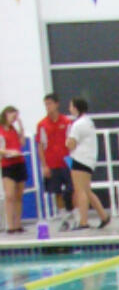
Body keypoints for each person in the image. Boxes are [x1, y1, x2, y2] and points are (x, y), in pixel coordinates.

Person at [65, 96, 110, 229]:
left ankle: (83, 222)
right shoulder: (88, 121)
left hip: (79, 160)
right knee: (87, 191)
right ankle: (103, 216)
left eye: (71, 106)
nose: (69, 109)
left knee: (80, 191)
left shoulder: (77, 125)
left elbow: (71, 144)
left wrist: (67, 142)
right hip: (89, 159)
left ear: (76, 108)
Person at [35, 92, 73, 225]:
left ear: (57, 104)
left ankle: (75, 214)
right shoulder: (42, 125)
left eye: (50, 104)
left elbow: (72, 142)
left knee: (72, 189)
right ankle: (64, 217)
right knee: (57, 192)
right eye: (46, 104)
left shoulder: (67, 122)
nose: (47, 107)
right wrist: (44, 166)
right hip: (52, 163)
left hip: (66, 162)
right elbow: (40, 146)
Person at [1, 105, 27, 233]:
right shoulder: (1, 130)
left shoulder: (14, 130)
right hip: (7, 164)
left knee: (19, 195)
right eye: (12, 115)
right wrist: (9, 151)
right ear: (6, 114)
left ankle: (18, 224)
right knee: (9, 195)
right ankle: (10, 225)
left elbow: (21, 143)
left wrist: (21, 127)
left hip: (19, 162)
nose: (14, 118)